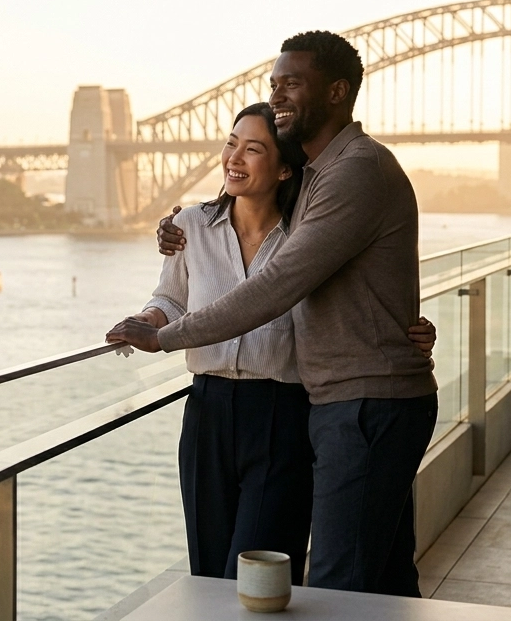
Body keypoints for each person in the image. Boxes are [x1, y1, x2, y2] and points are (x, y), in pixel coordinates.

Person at [108, 31, 438, 597]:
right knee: (380, 580)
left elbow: (278, 286)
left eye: (292, 82)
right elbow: (358, 281)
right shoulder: (312, 178)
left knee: (336, 588)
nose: (278, 93)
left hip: (357, 403)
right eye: (273, 83)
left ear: (337, 92)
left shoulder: (351, 172)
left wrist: (165, 340)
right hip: (335, 400)